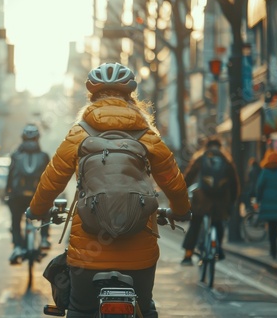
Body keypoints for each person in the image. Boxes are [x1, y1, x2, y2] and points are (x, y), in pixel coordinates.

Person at [27, 62, 191, 318]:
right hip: (140, 254)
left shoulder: (78, 134)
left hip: (88, 254)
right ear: (130, 97)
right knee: (145, 308)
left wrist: (37, 209)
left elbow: (51, 180)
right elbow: (173, 180)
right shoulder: (147, 136)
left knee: (80, 309)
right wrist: (181, 210)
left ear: (91, 98)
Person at [180, 137, 240, 265]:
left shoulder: (202, 158)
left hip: (203, 199)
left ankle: (188, 255)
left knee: (195, 224)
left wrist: (181, 192)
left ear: (206, 147)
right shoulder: (226, 160)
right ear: (220, 147)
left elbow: (189, 176)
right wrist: (232, 201)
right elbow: (234, 184)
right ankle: (218, 249)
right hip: (220, 201)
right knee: (218, 223)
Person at [5, 123, 51, 264]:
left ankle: (17, 246)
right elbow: (49, 177)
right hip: (36, 196)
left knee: (16, 219)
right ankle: (43, 238)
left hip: (18, 196)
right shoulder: (44, 156)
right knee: (46, 210)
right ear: (38, 138)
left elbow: (10, 177)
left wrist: (6, 192)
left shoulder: (16, 155)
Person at [255, 149, 277, 260]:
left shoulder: (265, 171)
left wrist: (258, 199)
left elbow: (259, 187)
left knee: (272, 228)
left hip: (269, 204)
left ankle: (273, 250)